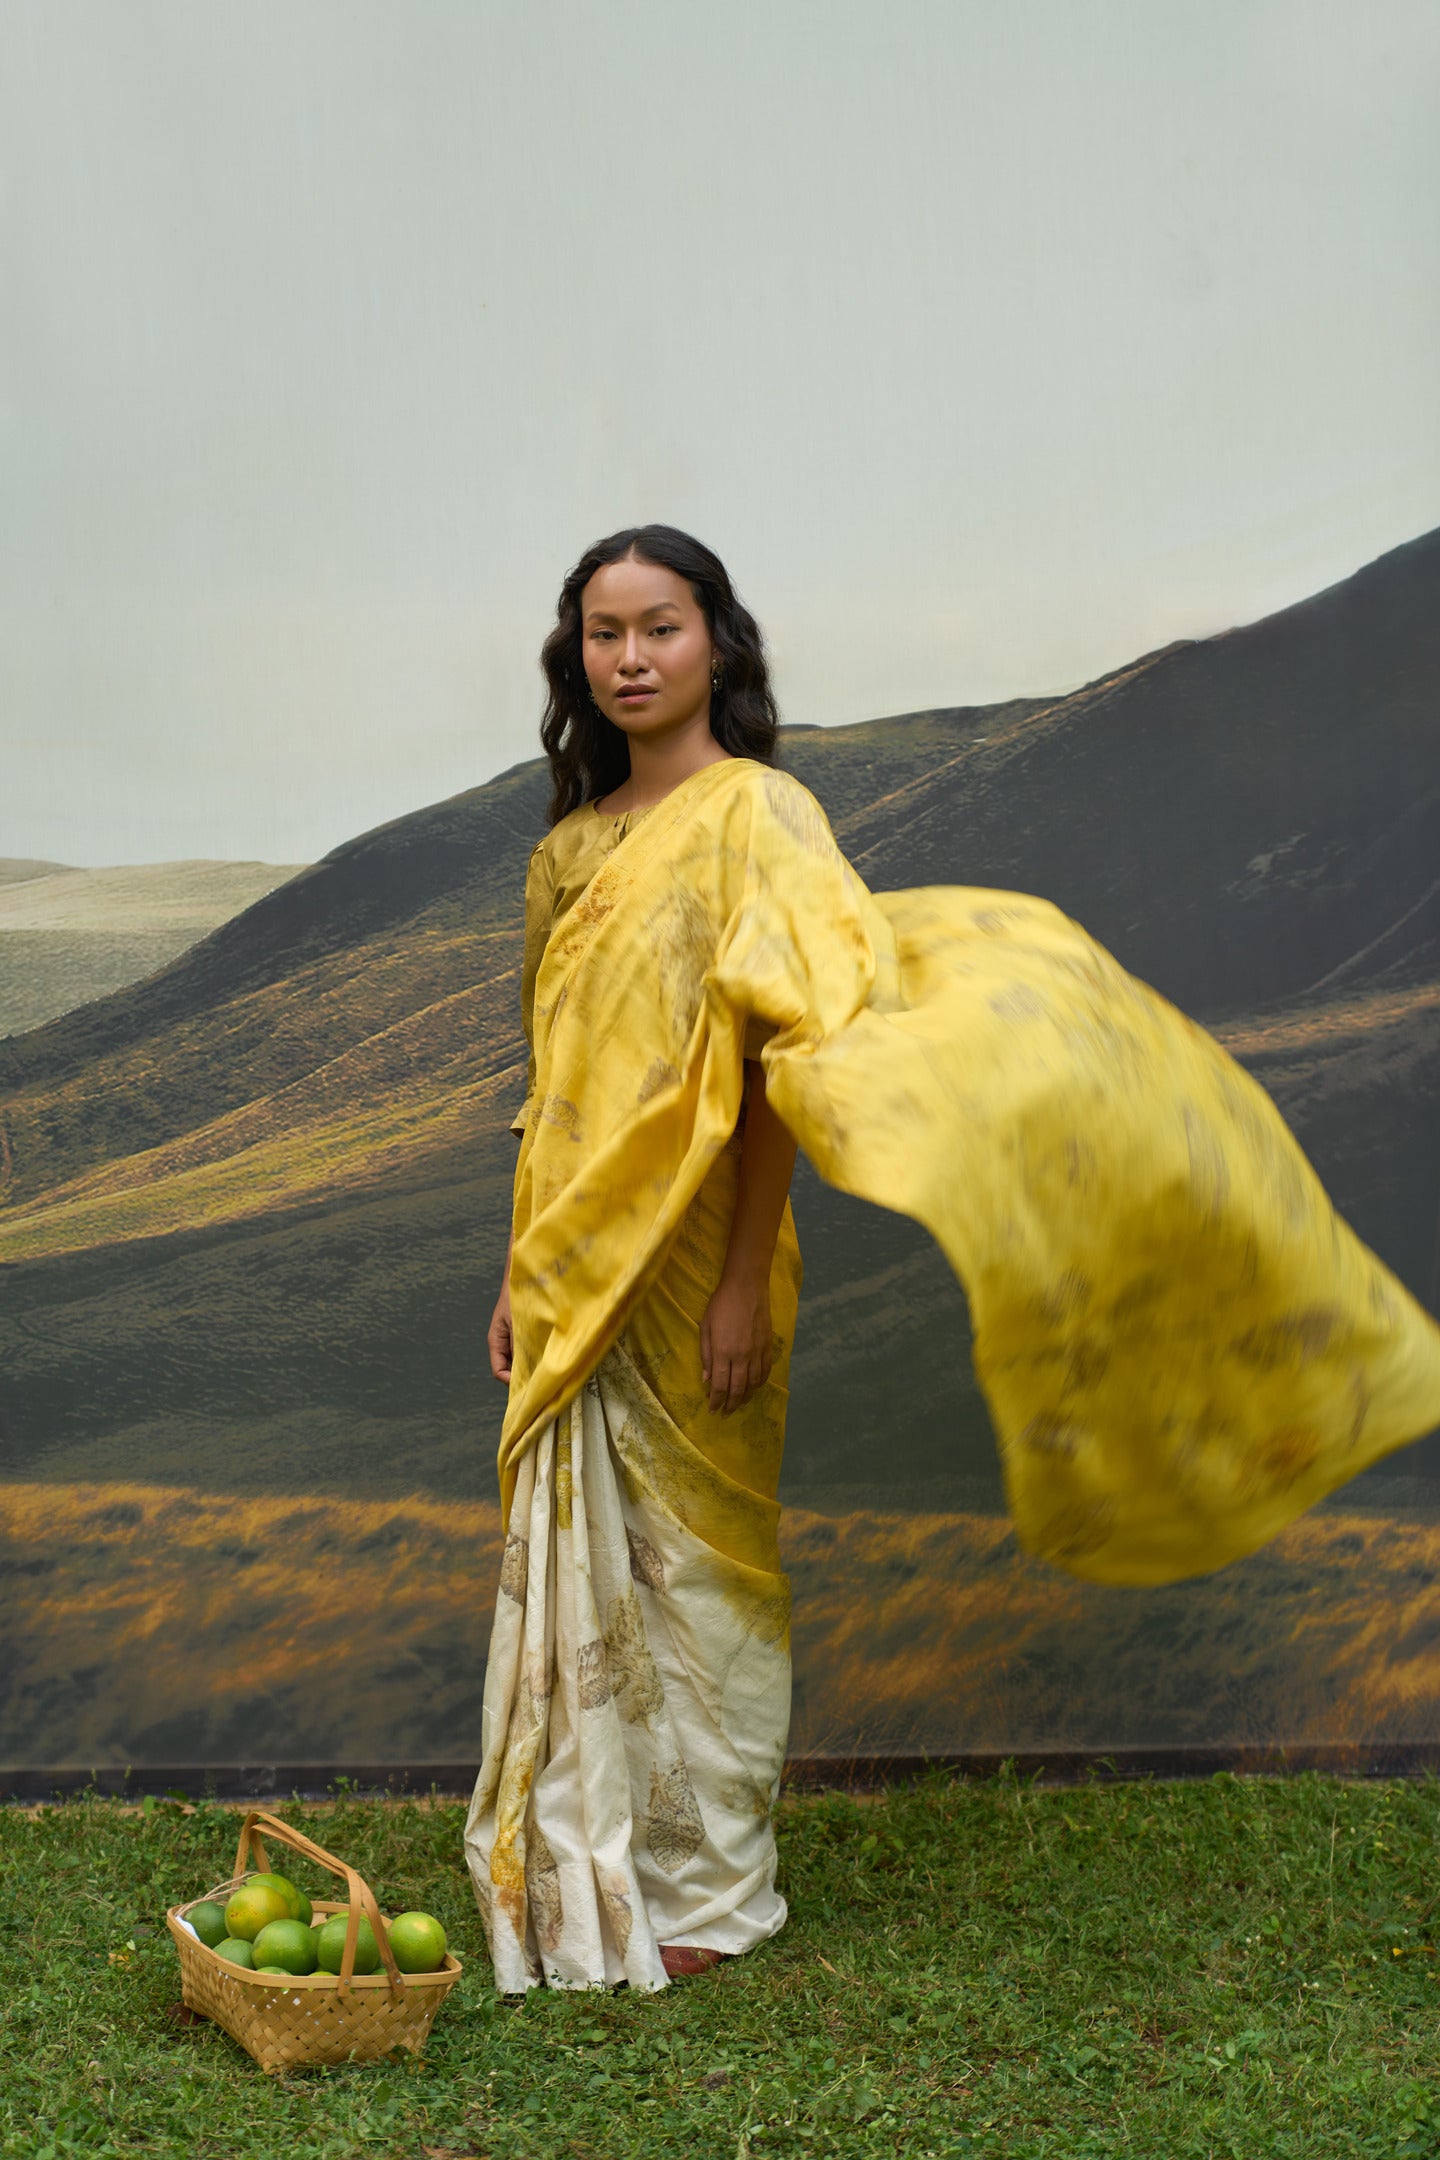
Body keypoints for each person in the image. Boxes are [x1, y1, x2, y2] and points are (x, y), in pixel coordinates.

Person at [464, 524, 1440, 1994]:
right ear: (573, 658)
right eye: (601, 634)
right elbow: (554, 1083)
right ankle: (579, 1857)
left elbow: (783, 1059)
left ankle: (712, 1893)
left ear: (716, 643)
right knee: (585, 1566)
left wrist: (737, 1281)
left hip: (693, 1266)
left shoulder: (761, 818)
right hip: (565, 1256)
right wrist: (515, 1264)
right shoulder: (566, 857)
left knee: (702, 1572)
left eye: (658, 627)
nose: (630, 659)